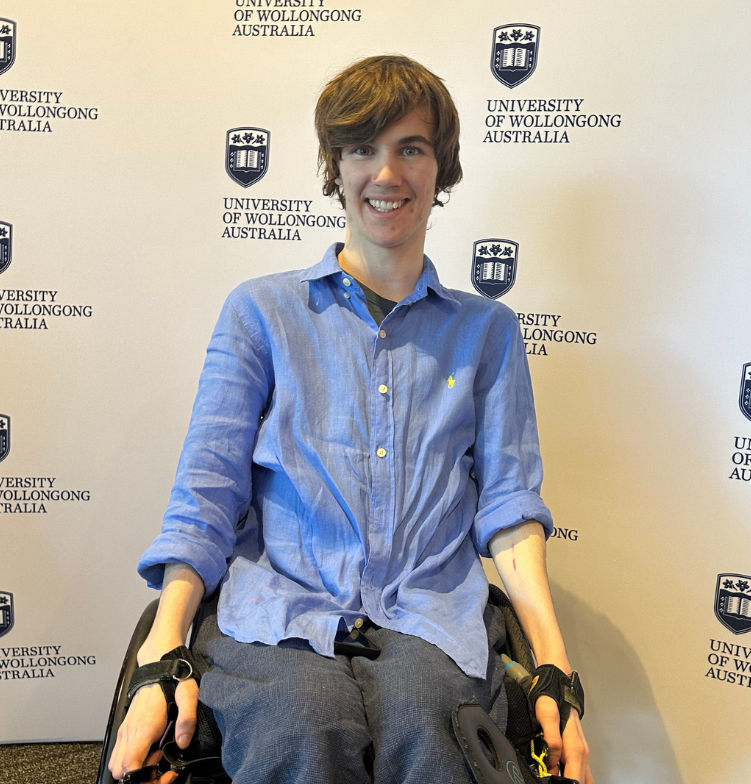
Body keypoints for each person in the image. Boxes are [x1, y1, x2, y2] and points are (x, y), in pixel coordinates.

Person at [109, 55, 594, 784]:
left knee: (431, 729)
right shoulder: (260, 313)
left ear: (442, 168)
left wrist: (556, 669)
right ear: (334, 166)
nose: (386, 173)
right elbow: (206, 499)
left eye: (411, 148)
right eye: (363, 148)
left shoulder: (489, 332)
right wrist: (160, 656)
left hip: (432, 616)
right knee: (304, 728)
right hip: (279, 615)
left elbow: (510, 511)